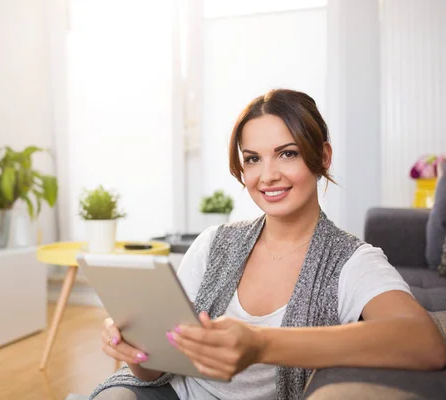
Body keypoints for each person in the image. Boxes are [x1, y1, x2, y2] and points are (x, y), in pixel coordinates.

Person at [91, 89, 446, 400]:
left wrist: (261, 344)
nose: (267, 175)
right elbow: (156, 371)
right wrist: (136, 352)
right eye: (253, 159)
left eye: (287, 153)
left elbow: (425, 342)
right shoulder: (213, 243)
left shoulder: (353, 261)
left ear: (322, 157)